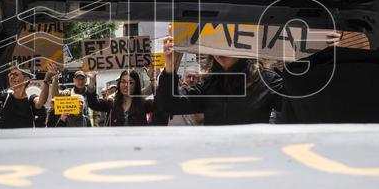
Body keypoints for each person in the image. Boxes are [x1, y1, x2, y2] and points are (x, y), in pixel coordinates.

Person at [154, 36, 283, 125]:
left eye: (227, 42)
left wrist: (292, 70)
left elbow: (296, 107)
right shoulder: (208, 84)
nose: (219, 50)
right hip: (216, 158)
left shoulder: (267, 81)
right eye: (214, 44)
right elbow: (170, 105)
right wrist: (170, 68)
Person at [88, 69, 154, 126]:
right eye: (123, 81)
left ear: (136, 85)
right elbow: (93, 104)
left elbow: (160, 104)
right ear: (119, 84)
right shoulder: (111, 102)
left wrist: (153, 79)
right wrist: (92, 82)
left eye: (130, 82)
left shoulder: (143, 103)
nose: (126, 85)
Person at [0, 62, 52, 129]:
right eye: (10, 75)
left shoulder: (31, 98)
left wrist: (47, 79)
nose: (12, 77)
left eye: (15, 74)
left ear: (26, 80)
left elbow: (40, 102)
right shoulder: (4, 97)